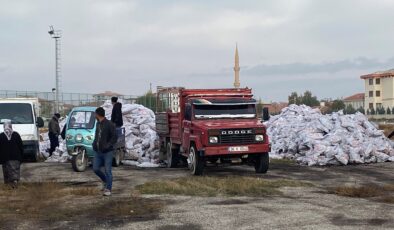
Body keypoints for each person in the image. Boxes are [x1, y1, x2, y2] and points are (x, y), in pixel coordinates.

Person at [92, 107, 117, 196]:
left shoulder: (109, 124)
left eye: (95, 114)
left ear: (98, 114)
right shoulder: (98, 124)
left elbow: (114, 137)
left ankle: (108, 189)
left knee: (108, 171)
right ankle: (105, 181)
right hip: (98, 151)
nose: (94, 115)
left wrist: (108, 145)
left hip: (107, 152)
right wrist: (94, 144)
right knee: (95, 168)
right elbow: (97, 136)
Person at [0, 120, 23, 188]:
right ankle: (14, 182)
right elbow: (20, 146)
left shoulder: (1, 136)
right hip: (16, 157)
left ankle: (9, 185)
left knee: (7, 171)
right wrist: (21, 156)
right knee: (15, 170)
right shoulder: (16, 134)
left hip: (5, 158)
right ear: (11, 126)